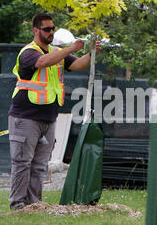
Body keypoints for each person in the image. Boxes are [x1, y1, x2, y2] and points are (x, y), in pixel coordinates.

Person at [8, 12, 101, 210]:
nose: (51, 32)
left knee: (40, 165)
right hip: (25, 119)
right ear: (36, 30)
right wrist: (70, 48)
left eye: (52, 28)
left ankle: (34, 205)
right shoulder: (28, 52)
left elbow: (77, 65)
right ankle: (18, 206)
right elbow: (43, 62)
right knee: (22, 163)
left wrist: (91, 54)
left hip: (48, 119)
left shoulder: (57, 52)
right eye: (47, 29)